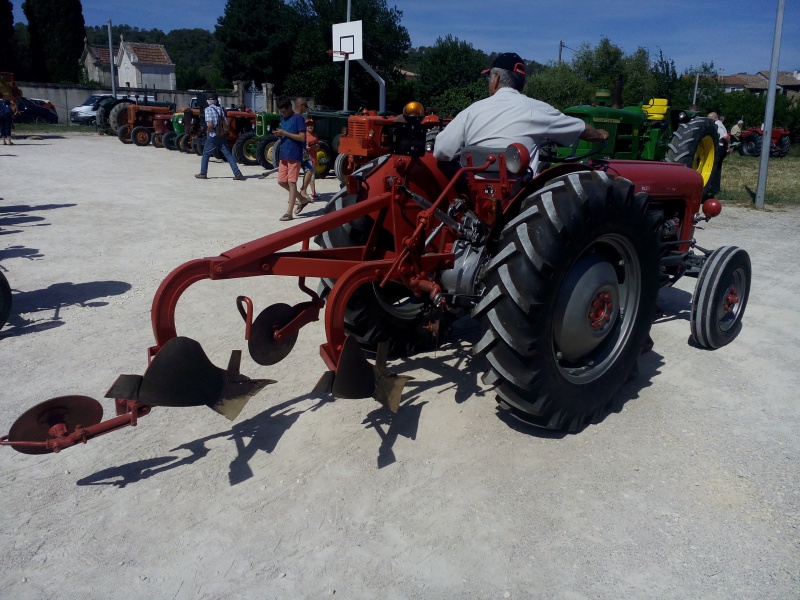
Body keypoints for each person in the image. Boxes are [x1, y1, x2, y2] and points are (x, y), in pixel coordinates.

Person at [433, 53, 608, 171]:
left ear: (497, 79)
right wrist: (600, 135)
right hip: (519, 203)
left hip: (474, 198)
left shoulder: (473, 110)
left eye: (489, 78)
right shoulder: (538, 109)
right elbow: (581, 129)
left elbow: (441, 151)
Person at [195, 93, 245, 181]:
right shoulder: (220, 109)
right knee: (228, 154)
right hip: (221, 135)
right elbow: (226, 121)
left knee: (206, 153)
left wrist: (208, 131)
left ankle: (203, 173)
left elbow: (210, 124)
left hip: (213, 135)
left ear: (208, 101)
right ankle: (237, 173)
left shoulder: (207, 110)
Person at [274, 95, 307, 221]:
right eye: (281, 111)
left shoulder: (298, 118)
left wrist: (284, 133)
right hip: (284, 154)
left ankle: (289, 213)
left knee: (291, 182)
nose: (283, 113)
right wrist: (280, 134)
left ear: (290, 107)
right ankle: (302, 199)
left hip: (294, 154)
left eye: (284, 110)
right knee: (281, 181)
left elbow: (302, 137)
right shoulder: (283, 118)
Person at [298, 117, 320, 209]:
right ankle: (306, 193)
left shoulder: (315, 135)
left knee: (311, 176)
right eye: (308, 125)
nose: (310, 126)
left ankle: (309, 192)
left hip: (314, 158)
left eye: (311, 125)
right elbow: (303, 147)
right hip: (307, 158)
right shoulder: (304, 135)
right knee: (310, 175)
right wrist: (308, 148)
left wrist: (316, 146)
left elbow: (318, 147)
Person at [707, 112, 728, 195]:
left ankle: (714, 188)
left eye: (710, 118)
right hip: (721, 148)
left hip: (719, 148)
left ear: (715, 118)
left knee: (714, 168)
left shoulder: (717, 125)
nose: (708, 120)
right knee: (716, 168)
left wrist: (727, 144)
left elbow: (724, 137)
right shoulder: (719, 124)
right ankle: (715, 188)